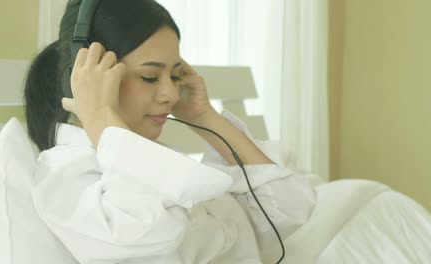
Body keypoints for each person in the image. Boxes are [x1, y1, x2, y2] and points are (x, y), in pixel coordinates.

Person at [24, 0, 316, 263]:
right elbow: (146, 238)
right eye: (150, 76)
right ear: (87, 78)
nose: (171, 93)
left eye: (175, 75)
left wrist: (205, 116)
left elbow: (289, 208)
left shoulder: (154, 156)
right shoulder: (68, 177)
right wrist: (99, 114)